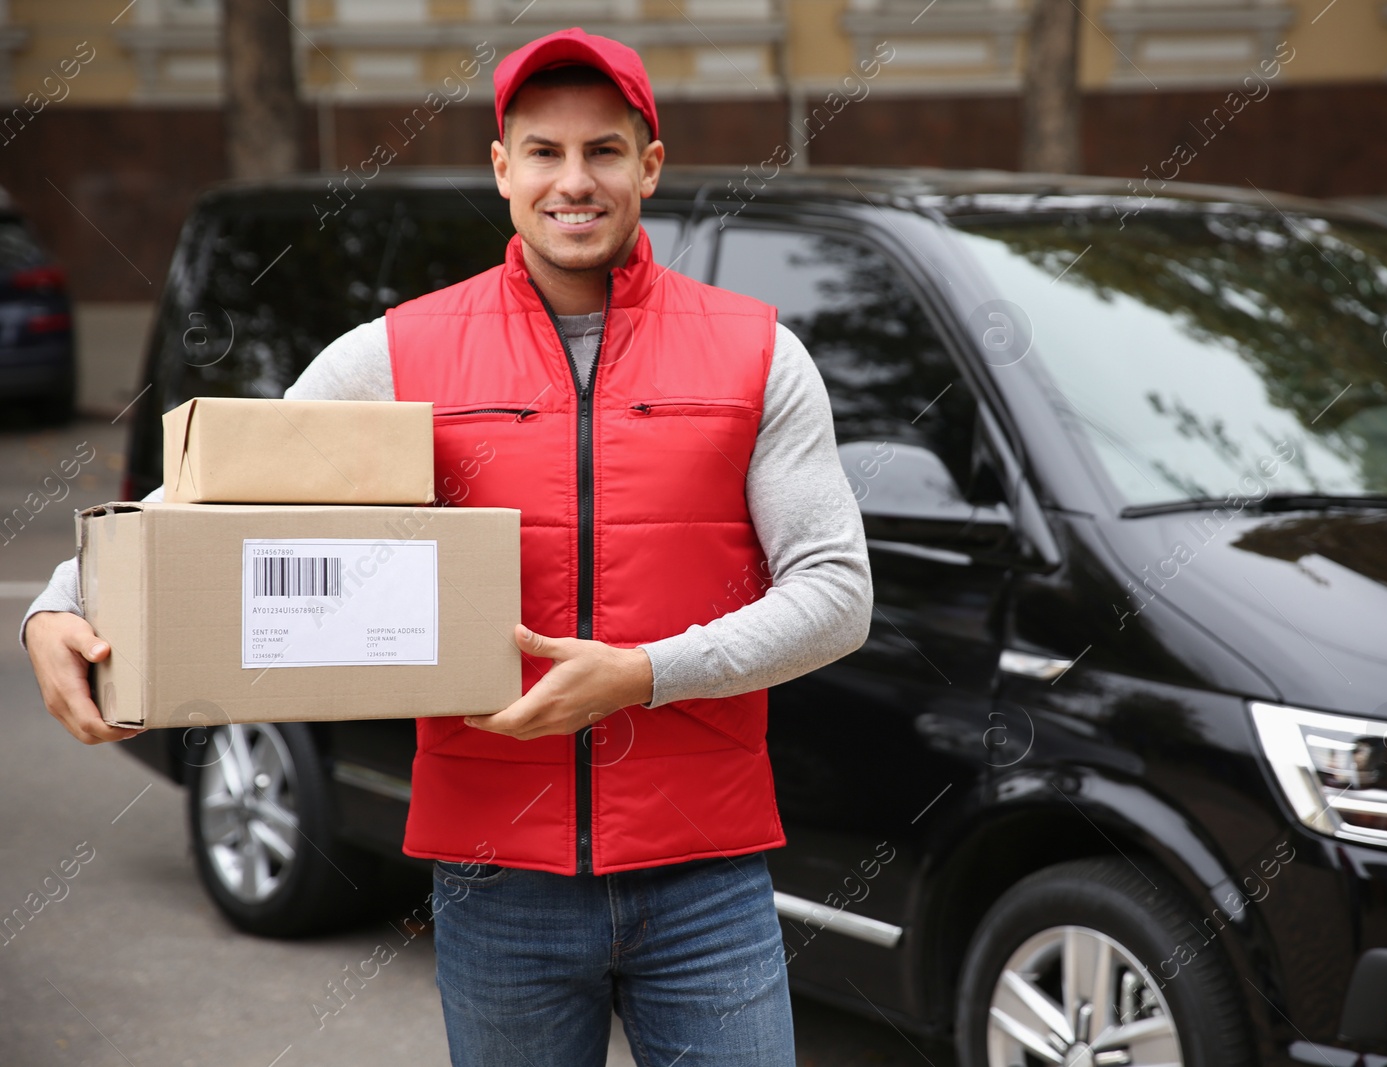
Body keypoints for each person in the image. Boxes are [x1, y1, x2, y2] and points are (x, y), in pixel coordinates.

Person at [21, 26, 872, 1067]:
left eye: (604, 149)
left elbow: (835, 592)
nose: (575, 179)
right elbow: (212, 499)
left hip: (707, 874)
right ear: (502, 168)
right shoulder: (399, 351)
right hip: (493, 875)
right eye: (544, 152)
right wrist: (60, 597)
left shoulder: (757, 352)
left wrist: (644, 674)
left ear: (650, 165)